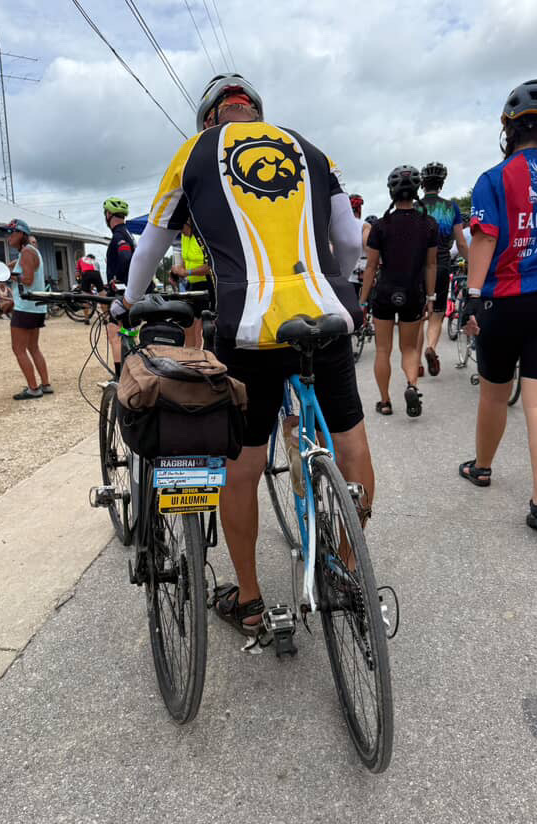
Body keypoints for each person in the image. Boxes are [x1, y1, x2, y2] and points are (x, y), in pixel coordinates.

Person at [114, 72, 369, 633]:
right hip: (325, 311)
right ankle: (349, 572)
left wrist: (129, 301)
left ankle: (250, 603)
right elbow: (350, 242)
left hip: (249, 325)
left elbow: (152, 242)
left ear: (210, 118)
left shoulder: (195, 153)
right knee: (348, 438)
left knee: (243, 465)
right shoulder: (309, 148)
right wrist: (335, 284)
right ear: (256, 111)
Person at [459, 78, 537, 530]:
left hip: (503, 301)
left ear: (508, 127)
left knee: (495, 394)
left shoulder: (493, 179)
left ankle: (482, 467)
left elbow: (485, 238)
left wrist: (472, 298)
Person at [360, 165, 438, 417]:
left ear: (391, 191)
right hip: (412, 294)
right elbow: (431, 264)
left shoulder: (381, 226)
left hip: (384, 293)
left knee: (383, 350)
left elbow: (371, 267)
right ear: (416, 190)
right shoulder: (428, 224)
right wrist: (430, 297)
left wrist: (362, 302)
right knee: (410, 349)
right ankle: (412, 386)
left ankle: (385, 402)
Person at [418, 162, 468, 376]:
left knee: (419, 316)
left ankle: (417, 362)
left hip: (419, 265)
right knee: (437, 314)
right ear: (441, 183)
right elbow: (462, 243)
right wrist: (474, 264)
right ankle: (431, 348)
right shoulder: (452, 207)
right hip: (442, 262)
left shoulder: (416, 206)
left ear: (422, 183)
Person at [0, 218, 53, 400]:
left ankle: (33, 388)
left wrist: (11, 277)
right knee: (33, 347)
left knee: (19, 349)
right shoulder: (27, 252)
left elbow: (28, 280)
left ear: (21, 234)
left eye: (11, 233)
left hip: (27, 308)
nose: (8, 238)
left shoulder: (28, 252)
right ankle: (45, 384)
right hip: (35, 307)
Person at [103, 198, 135, 377]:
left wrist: (117, 280)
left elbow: (125, 258)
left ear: (108, 215)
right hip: (131, 292)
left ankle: (119, 377)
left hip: (121, 293)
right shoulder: (128, 234)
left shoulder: (118, 236)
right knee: (128, 332)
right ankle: (132, 371)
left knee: (114, 334)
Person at [170, 218, 213, 347]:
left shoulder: (202, 237)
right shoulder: (184, 237)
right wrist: (176, 273)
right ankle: (191, 358)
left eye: (181, 228)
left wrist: (187, 272)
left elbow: (210, 267)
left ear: (188, 223)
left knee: (199, 328)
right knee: (188, 326)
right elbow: (184, 260)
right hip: (191, 286)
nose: (181, 232)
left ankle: (202, 358)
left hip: (207, 284)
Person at [346, 194, 371, 296]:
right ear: (359, 209)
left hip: (342, 276)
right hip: (360, 275)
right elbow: (368, 248)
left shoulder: (337, 226)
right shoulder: (364, 226)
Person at [76, 252, 104, 324]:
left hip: (86, 274)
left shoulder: (81, 259)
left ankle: (86, 319)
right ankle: (105, 318)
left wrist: (80, 283)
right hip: (96, 274)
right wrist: (93, 286)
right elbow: (97, 275)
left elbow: (78, 274)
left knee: (85, 297)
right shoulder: (96, 262)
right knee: (102, 296)